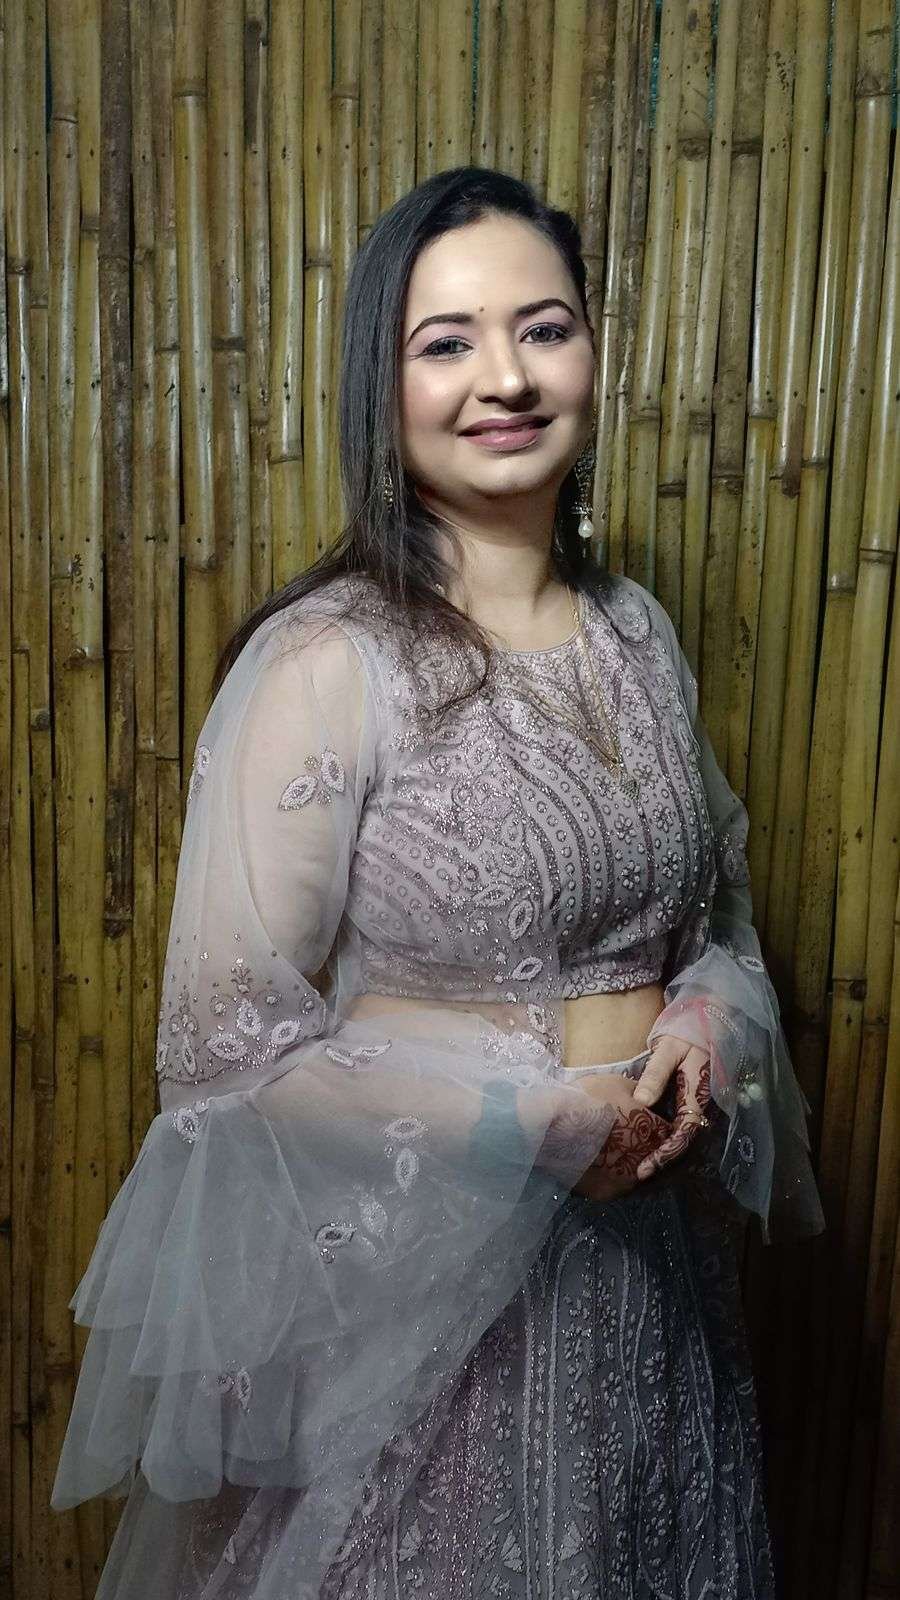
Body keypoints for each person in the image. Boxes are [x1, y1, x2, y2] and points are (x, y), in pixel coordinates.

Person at [51, 167, 824, 1599]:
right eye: (447, 343)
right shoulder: (329, 659)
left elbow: (717, 914)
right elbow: (222, 1054)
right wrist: (531, 1123)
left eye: (545, 329)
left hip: (648, 1282)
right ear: (381, 382)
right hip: (433, 1312)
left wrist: (708, 1022)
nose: (506, 379)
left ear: (591, 350)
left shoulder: (635, 631)